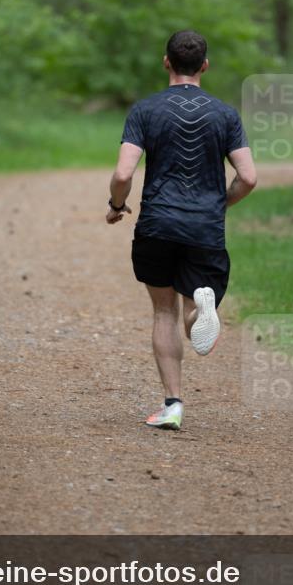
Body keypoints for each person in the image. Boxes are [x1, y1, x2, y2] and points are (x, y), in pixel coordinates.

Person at [106, 30, 257, 431]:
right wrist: (220, 203)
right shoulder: (225, 115)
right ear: (204, 66)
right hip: (204, 227)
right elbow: (249, 177)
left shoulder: (145, 110)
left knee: (162, 311)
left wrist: (117, 206)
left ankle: (173, 405)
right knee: (191, 308)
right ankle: (203, 308)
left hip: (157, 223)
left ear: (166, 62)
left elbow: (123, 173)